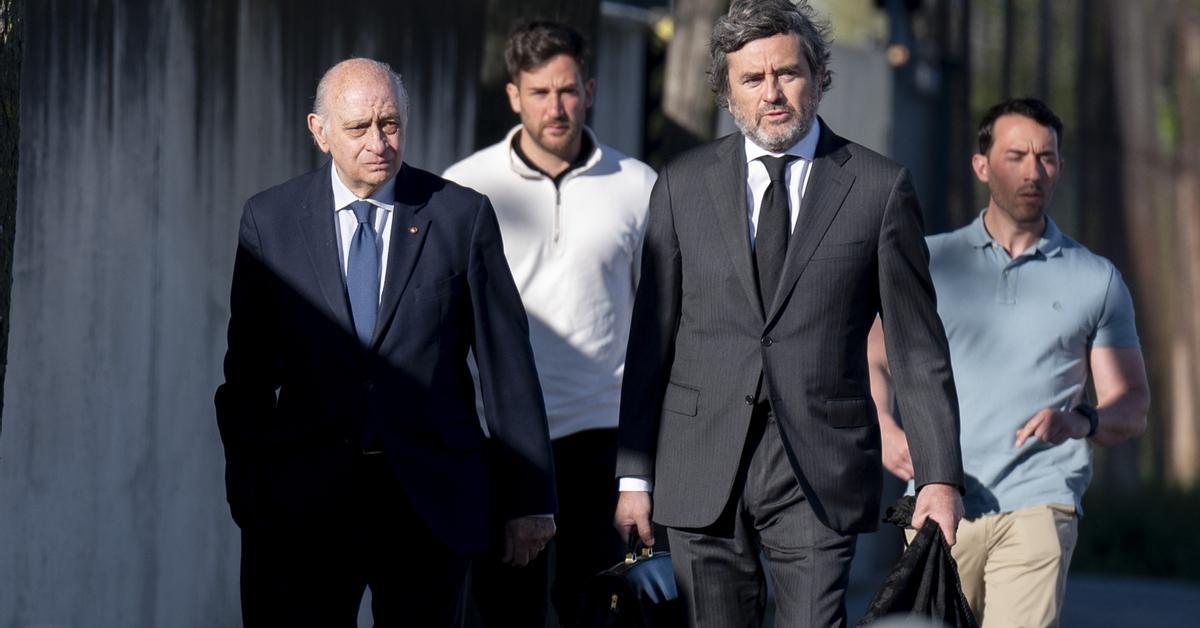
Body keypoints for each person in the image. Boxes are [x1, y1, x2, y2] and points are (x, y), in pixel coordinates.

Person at [612, 1, 965, 626]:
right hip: (700, 459)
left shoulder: (879, 188)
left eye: (787, 73)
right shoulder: (682, 184)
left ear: (819, 77)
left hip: (819, 464)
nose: (771, 93)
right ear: (728, 93)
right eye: (752, 79)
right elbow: (650, 340)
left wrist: (939, 477)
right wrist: (633, 477)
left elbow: (916, 347)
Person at [214, 57, 557, 627]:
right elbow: (247, 376)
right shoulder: (271, 222)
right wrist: (249, 492)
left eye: (390, 124)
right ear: (320, 132)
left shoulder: (459, 216)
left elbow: (507, 366)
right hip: (304, 505)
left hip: (429, 501)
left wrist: (528, 500)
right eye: (358, 128)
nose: (378, 142)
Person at [868, 98, 1150, 627]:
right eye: (1016, 156)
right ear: (982, 166)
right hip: (939, 499)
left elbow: (1131, 404)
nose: (1032, 172)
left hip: (1039, 500)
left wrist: (1081, 420)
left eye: (1046, 157)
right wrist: (883, 427)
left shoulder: (1096, 279)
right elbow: (874, 358)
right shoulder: (931, 261)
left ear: (1060, 167)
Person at [443, 21, 657, 627]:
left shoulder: (638, 186)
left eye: (567, 90)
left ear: (590, 90)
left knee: (602, 611)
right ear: (514, 96)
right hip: (504, 438)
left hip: (603, 436)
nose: (555, 108)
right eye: (539, 92)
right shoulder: (466, 185)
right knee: (504, 612)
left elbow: (659, 319)